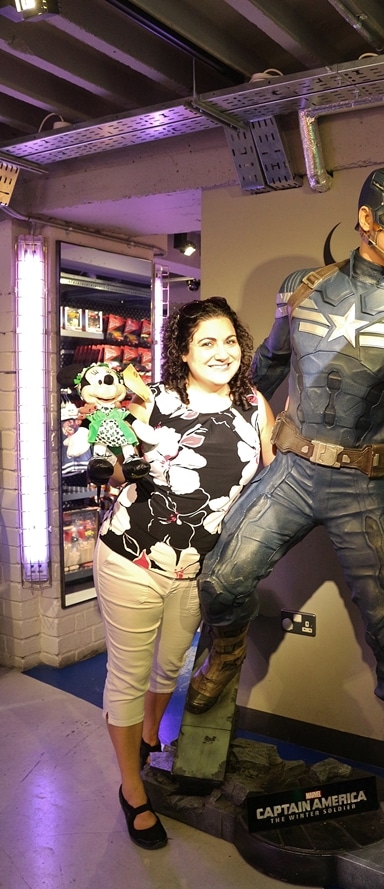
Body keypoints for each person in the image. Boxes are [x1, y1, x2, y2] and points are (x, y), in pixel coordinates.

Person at [186, 166, 384, 857]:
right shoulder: (303, 290)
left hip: (364, 488)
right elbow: (269, 372)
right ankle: (221, 660)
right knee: (222, 579)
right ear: (367, 218)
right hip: (293, 469)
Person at [93, 296, 275, 850]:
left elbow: (268, 483)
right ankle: (132, 790)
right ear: (183, 352)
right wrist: (115, 455)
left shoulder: (253, 404)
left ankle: (149, 738)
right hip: (132, 559)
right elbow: (114, 455)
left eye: (229, 341)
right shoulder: (156, 400)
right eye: (206, 343)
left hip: (199, 571)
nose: (222, 353)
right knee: (128, 675)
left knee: (169, 667)